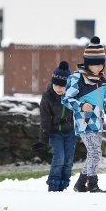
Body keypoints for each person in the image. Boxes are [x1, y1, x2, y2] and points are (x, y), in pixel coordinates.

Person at [62, 36, 106, 193]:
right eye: (94, 63)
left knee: (94, 154)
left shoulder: (101, 79)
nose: (98, 67)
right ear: (87, 62)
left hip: (98, 121)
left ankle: (80, 183)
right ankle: (92, 184)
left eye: (100, 63)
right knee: (95, 153)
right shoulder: (77, 78)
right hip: (84, 121)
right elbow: (66, 99)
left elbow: (105, 96)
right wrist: (80, 106)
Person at [33, 61, 76, 191]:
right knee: (59, 158)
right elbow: (45, 119)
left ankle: (63, 185)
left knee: (68, 160)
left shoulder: (72, 95)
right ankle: (53, 184)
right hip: (55, 132)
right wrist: (43, 139)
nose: (58, 88)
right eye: (56, 84)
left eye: (62, 86)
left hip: (70, 132)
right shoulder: (48, 96)